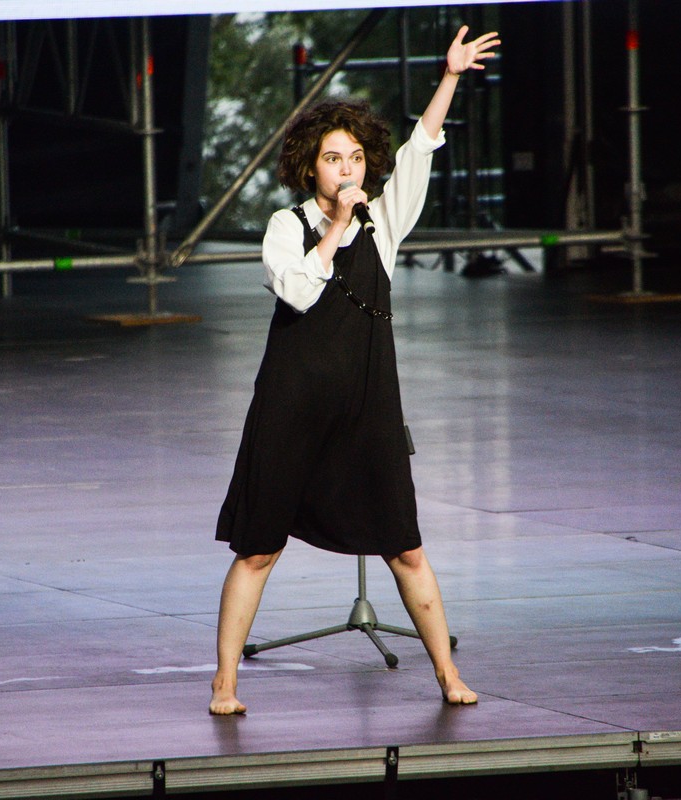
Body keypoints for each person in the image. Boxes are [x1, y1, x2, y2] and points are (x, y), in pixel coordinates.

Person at [211, 26, 500, 716]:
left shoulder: (384, 223)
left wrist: (450, 76)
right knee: (258, 551)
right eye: (333, 159)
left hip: (366, 407)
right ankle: (224, 682)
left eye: (356, 158)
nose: (347, 169)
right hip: (292, 406)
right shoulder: (287, 227)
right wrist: (337, 227)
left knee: (407, 548)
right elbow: (298, 292)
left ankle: (447, 673)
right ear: (311, 167)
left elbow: (421, 146)